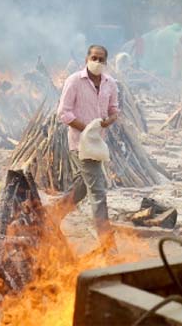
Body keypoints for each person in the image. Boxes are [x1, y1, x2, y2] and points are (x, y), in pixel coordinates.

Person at [53, 45, 119, 246]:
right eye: (94, 58)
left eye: (101, 59)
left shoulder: (110, 84)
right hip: (79, 143)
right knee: (98, 190)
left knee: (82, 187)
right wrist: (87, 128)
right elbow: (64, 113)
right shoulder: (74, 81)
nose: (97, 62)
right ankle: (107, 244)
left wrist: (110, 119)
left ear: (106, 62)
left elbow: (114, 109)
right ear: (87, 59)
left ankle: (51, 216)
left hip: (97, 145)